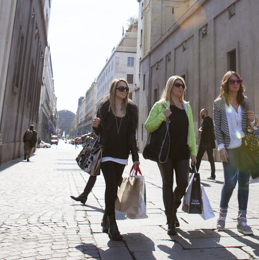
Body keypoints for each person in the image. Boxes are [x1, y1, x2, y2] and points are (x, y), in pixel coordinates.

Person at [145, 75, 197, 235]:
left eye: (182, 85)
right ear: (170, 87)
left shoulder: (186, 107)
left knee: (183, 183)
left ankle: (172, 210)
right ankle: (170, 222)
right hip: (165, 152)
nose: (180, 87)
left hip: (182, 152)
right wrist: (163, 116)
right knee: (167, 183)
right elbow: (148, 126)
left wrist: (193, 152)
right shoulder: (160, 105)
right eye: (177, 85)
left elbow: (192, 132)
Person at [92, 78, 139, 240]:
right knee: (111, 185)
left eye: (126, 89)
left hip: (121, 155)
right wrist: (95, 126)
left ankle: (106, 218)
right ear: (114, 90)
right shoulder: (104, 107)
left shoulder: (131, 109)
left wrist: (135, 157)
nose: (124, 91)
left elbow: (131, 135)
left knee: (115, 188)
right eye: (121, 88)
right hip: (106, 153)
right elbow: (100, 134)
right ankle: (113, 225)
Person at [213, 71, 256, 235]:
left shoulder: (245, 102)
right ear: (226, 84)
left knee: (244, 183)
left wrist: (252, 119)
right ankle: (222, 215)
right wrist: (221, 147)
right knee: (230, 182)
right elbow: (217, 127)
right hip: (229, 148)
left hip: (244, 148)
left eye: (238, 81)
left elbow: (252, 125)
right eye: (232, 81)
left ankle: (242, 220)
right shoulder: (218, 104)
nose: (236, 84)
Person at [71, 133, 98, 205]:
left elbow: (96, 130)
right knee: (93, 173)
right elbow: (94, 131)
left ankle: (128, 192)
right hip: (100, 149)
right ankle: (84, 195)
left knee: (114, 177)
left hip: (107, 151)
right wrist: (82, 138)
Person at [196, 108, 216, 180]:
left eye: (201, 113)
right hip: (210, 142)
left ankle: (195, 172)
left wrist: (200, 131)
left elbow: (204, 131)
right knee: (211, 158)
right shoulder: (210, 120)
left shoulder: (205, 121)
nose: (200, 115)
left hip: (204, 142)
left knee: (198, 158)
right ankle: (213, 174)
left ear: (205, 113)